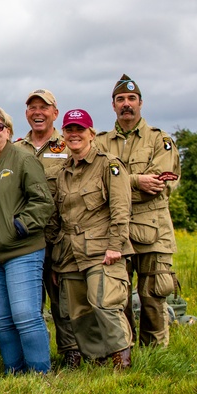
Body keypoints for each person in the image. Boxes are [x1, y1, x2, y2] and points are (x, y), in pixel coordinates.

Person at [0, 107, 53, 374]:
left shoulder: (23, 160)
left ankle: (39, 373)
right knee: (2, 320)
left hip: (21, 250)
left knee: (26, 315)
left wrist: (19, 226)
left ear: (8, 130)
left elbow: (43, 202)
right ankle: (14, 372)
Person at [97, 75, 180, 348]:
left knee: (153, 295)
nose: (126, 104)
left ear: (141, 103)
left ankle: (157, 352)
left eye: (131, 99)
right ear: (113, 106)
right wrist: (134, 181)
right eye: (120, 100)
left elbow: (158, 185)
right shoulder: (100, 143)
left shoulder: (160, 140)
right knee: (117, 294)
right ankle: (125, 351)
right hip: (115, 230)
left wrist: (119, 184)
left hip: (154, 229)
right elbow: (95, 183)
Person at [49, 109, 133, 369]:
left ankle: (122, 359)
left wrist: (115, 246)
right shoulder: (63, 172)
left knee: (105, 303)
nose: (75, 135)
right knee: (79, 312)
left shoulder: (109, 165)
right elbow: (58, 217)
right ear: (63, 135)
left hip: (101, 248)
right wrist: (55, 258)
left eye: (80, 130)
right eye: (70, 130)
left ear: (91, 134)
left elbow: (121, 208)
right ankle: (98, 362)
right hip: (70, 252)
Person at [15, 89, 84, 368]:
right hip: (26, 237)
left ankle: (71, 352)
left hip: (61, 235)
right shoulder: (16, 148)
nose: (38, 112)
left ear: (55, 113)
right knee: (28, 301)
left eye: (44, 107)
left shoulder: (68, 145)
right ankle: (31, 354)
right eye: (32, 107)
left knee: (63, 299)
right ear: (26, 114)